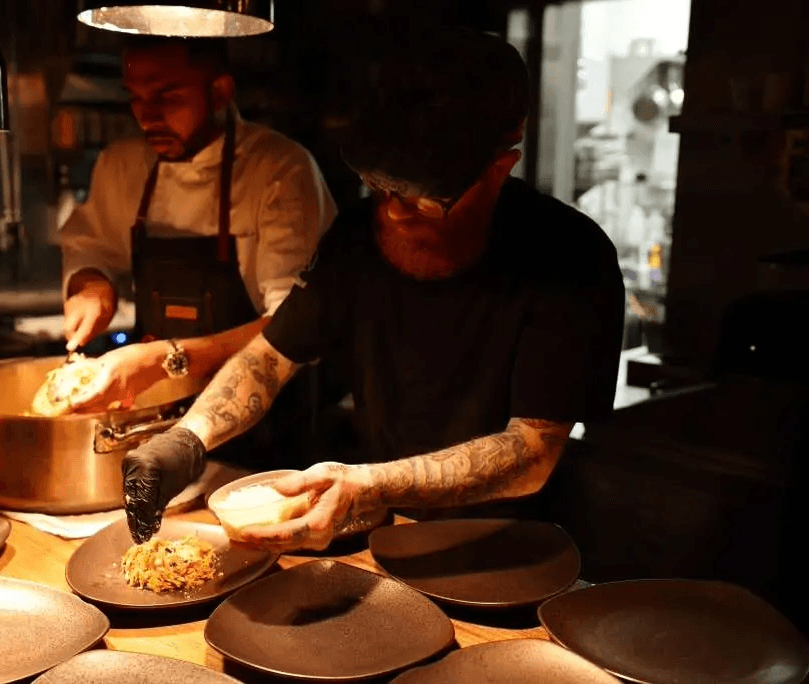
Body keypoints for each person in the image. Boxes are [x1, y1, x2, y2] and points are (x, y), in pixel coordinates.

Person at [115, 25, 626, 548]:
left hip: (513, 549)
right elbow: (269, 360)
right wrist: (187, 439)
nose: (394, 213)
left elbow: (531, 455)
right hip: (385, 536)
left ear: (501, 167)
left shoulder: (570, 257)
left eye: (423, 198)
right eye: (381, 189)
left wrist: (369, 483)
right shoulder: (358, 237)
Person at [58, 36, 336, 466]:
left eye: (168, 96)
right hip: (156, 428)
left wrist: (167, 358)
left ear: (220, 91)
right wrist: (91, 284)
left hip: (267, 436)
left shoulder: (280, 169)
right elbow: (89, 245)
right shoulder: (123, 163)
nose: (147, 115)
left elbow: (296, 322)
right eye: (136, 97)